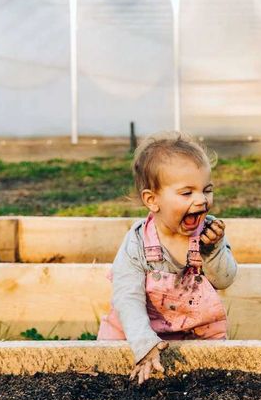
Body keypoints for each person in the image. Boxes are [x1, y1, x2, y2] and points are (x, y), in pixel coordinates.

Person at [98, 131, 237, 384]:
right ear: (152, 200)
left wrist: (211, 251)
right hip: (133, 337)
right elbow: (127, 297)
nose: (202, 200)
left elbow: (225, 279)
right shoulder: (138, 242)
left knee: (207, 380)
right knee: (113, 379)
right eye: (187, 193)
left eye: (207, 190)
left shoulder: (209, 232)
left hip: (192, 338)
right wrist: (143, 344)